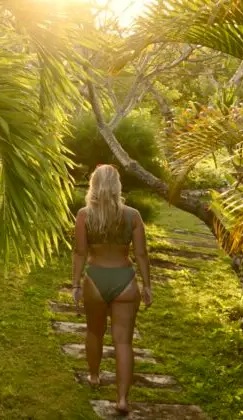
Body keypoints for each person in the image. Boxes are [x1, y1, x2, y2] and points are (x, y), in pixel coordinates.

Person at [71, 164, 153, 415]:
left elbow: (80, 252)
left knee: (94, 333)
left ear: (93, 185)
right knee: (124, 343)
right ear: (117, 186)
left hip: (95, 279)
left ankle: (94, 376)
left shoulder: (85, 215)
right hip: (125, 280)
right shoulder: (133, 215)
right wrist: (147, 285)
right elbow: (141, 254)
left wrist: (75, 284)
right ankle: (122, 400)